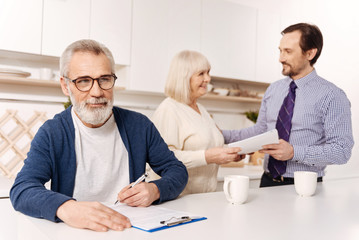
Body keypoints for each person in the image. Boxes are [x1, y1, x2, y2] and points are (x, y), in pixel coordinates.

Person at [10, 39, 188, 232]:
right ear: (65, 85)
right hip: (76, 233)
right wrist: (66, 207)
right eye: (84, 81)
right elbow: (22, 189)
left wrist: (156, 190)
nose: (96, 92)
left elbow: (177, 170)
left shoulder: (140, 126)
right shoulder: (53, 133)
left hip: (131, 230)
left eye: (104, 79)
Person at [223, 23, 354, 187]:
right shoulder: (274, 89)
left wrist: (293, 152)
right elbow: (260, 130)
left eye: (288, 51)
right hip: (267, 181)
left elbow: (341, 151)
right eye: (280, 50)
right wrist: (221, 134)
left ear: (310, 53)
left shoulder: (332, 96)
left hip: (304, 186)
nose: (281, 58)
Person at [147, 50, 243, 195]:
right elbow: (162, 159)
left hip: (204, 197)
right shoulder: (169, 109)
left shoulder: (202, 110)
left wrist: (228, 155)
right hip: (180, 200)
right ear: (184, 77)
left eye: (208, 73)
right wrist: (208, 156)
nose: (208, 79)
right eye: (201, 74)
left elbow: (209, 148)